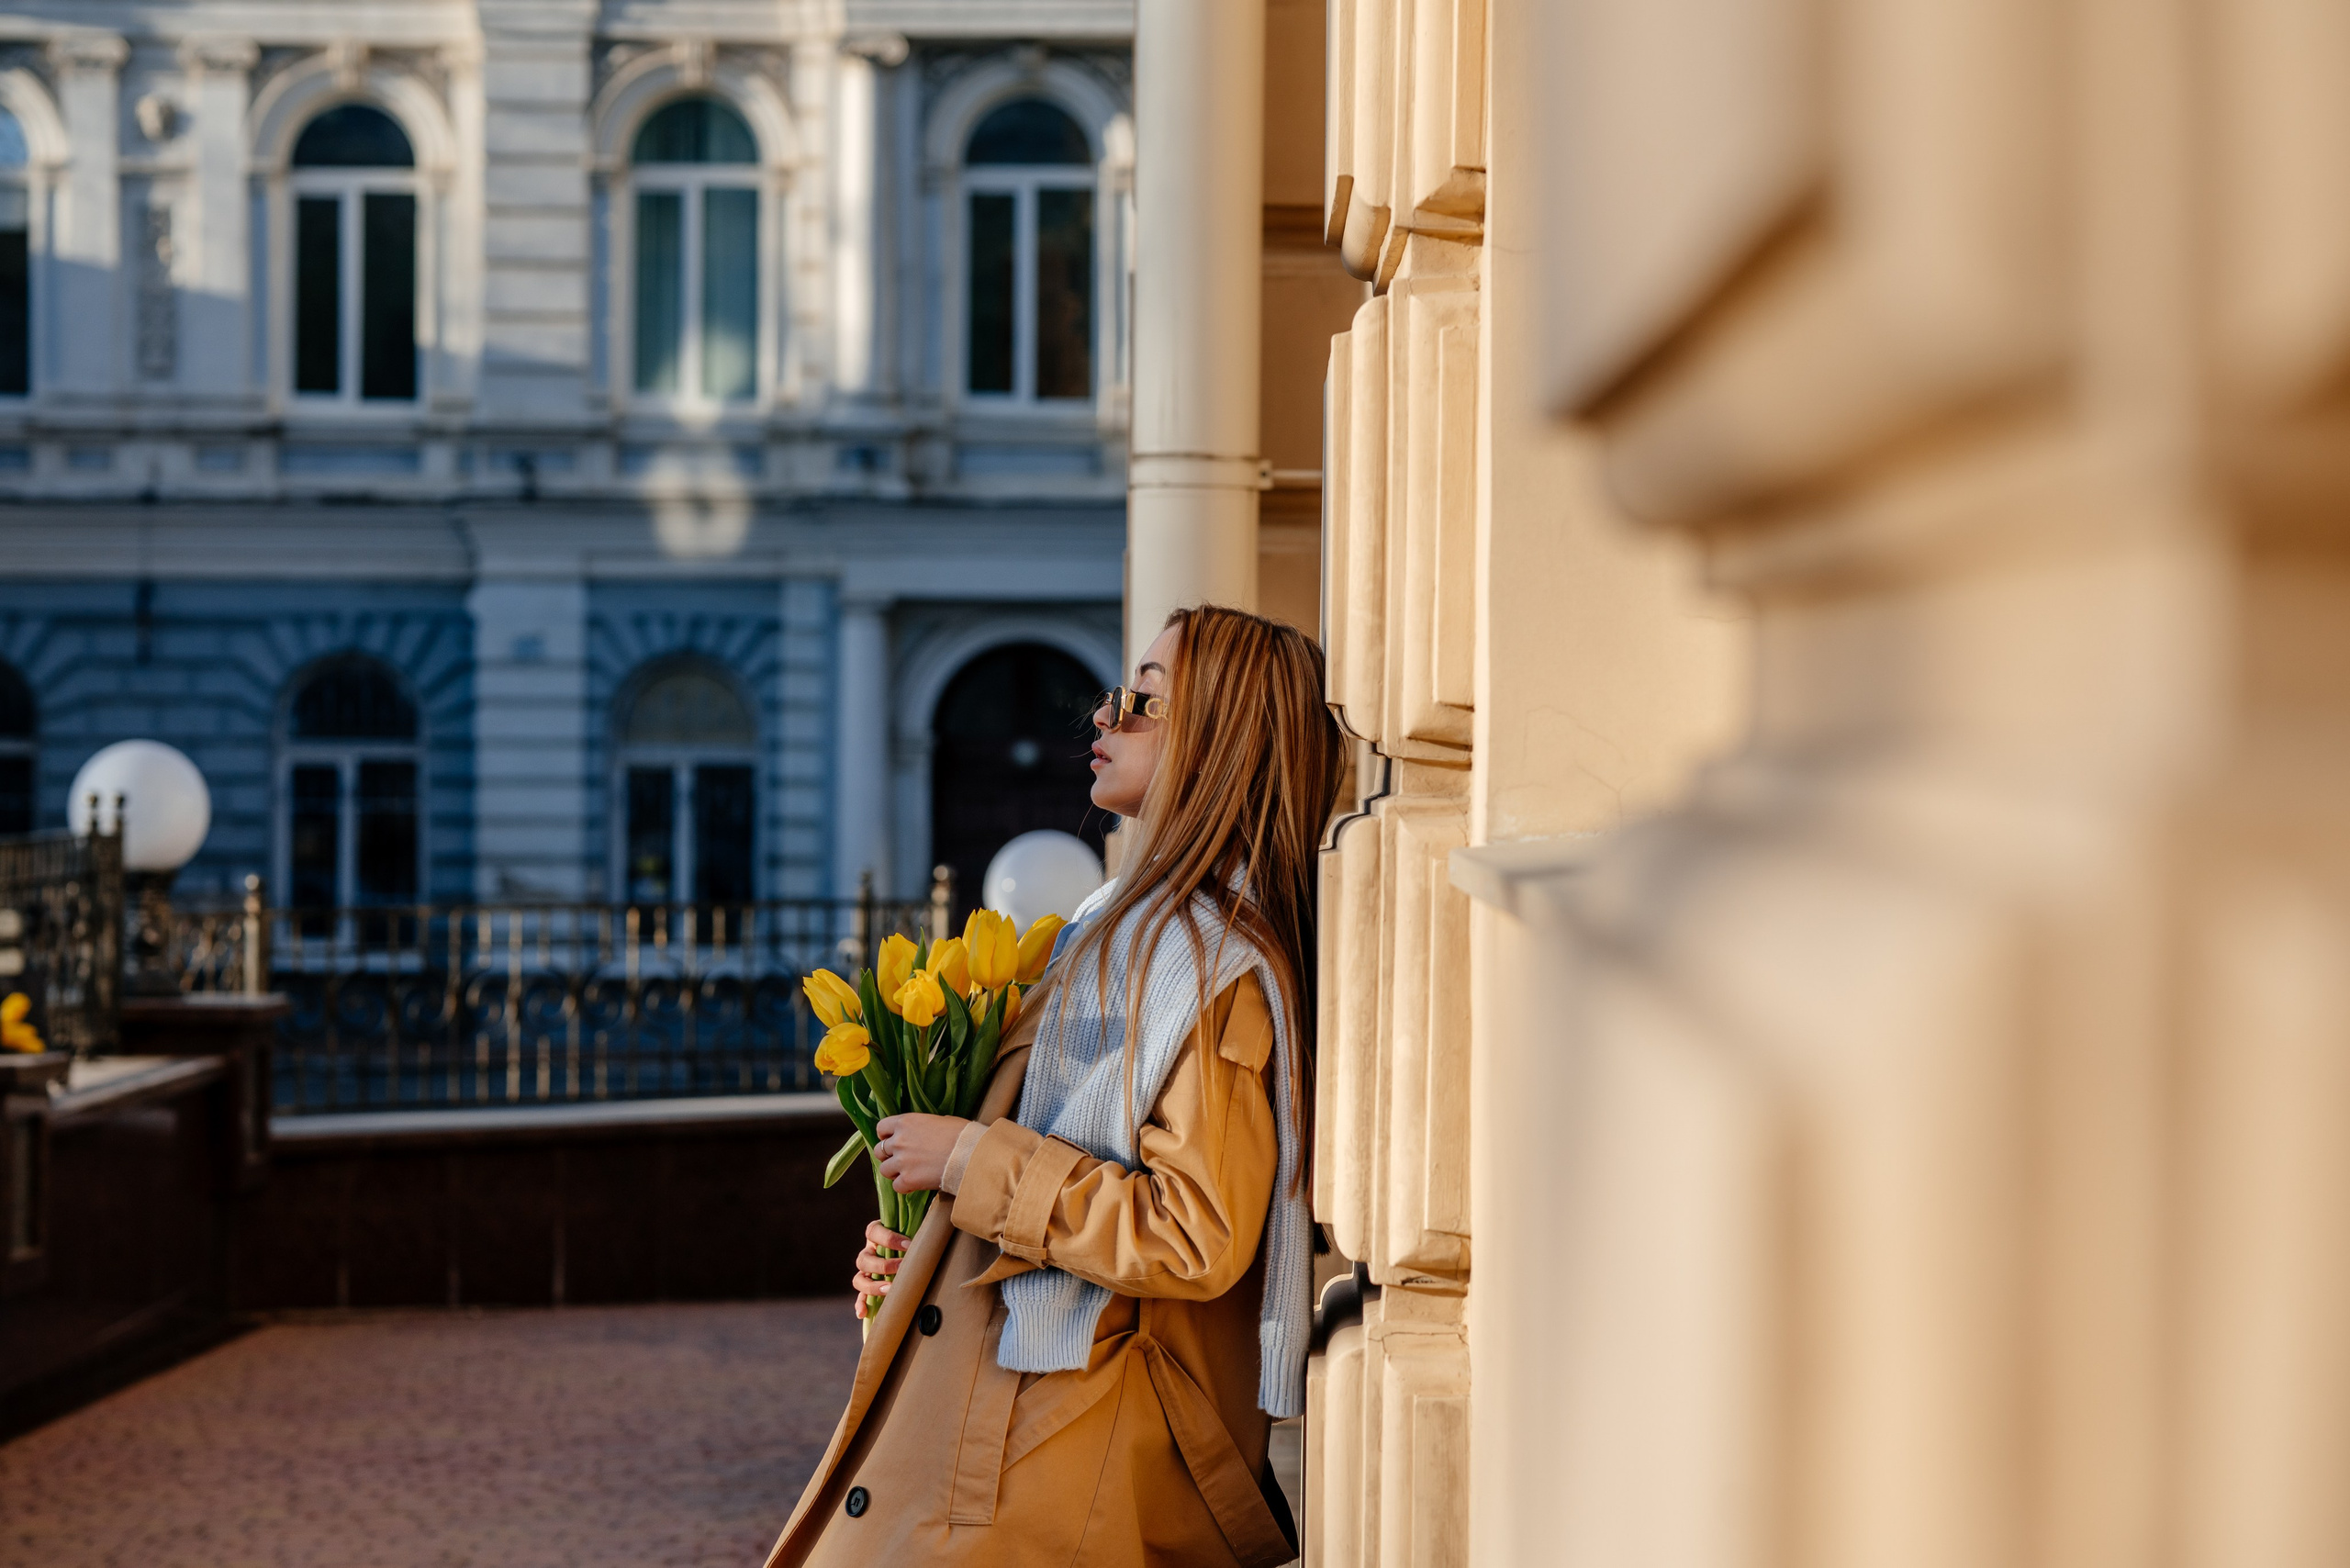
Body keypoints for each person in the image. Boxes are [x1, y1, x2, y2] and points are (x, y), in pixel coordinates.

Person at [761, 605, 1344, 1568]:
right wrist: (919, 1261)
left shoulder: (1208, 965)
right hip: (1016, 1413)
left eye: (1145, 701)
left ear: (1221, 737)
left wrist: (969, 1156)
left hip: (1062, 1447)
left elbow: (1194, 1232)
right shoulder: (1114, 928)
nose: (1103, 720)